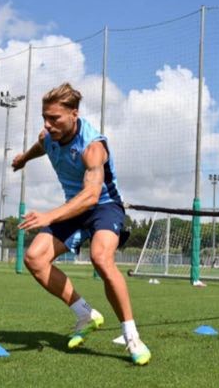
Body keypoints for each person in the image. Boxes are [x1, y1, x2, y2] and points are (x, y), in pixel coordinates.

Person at [12, 82, 151, 365]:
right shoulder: (48, 136)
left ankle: (131, 336)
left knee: (101, 258)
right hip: (73, 207)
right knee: (35, 259)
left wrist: (49, 216)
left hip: (103, 206)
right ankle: (85, 314)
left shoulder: (92, 147)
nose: (48, 124)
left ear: (74, 114)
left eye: (54, 118)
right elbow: (41, 146)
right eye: (45, 117)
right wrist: (24, 159)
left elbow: (91, 196)